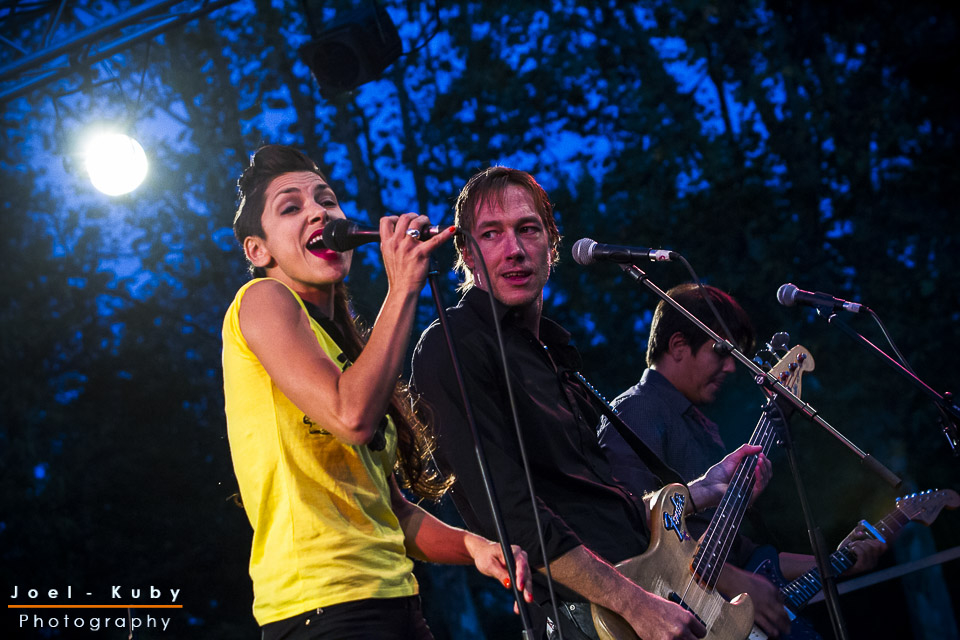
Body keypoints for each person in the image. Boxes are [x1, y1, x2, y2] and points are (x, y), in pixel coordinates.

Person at [410, 166, 772, 640]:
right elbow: (513, 515)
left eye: (528, 229)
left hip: (645, 592)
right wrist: (635, 604)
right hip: (591, 617)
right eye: (491, 234)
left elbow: (597, 505)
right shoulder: (453, 344)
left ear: (552, 243)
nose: (514, 249)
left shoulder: (553, 354)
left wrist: (702, 490)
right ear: (465, 253)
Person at [221, 145, 532, 640]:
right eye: (291, 207)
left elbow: (393, 512)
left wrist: (475, 546)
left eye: (327, 200)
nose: (319, 212)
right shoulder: (262, 299)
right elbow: (351, 416)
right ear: (258, 251)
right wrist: (403, 287)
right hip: (322, 608)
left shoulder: (346, 353)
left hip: (395, 602)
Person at [597, 283, 886, 638]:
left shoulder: (703, 428)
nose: (731, 367)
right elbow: (628, 523)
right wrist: (733, 579)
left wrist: (836, 564)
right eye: (721, 351)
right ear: (678, 346)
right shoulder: (637, 409)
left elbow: (747, 557)